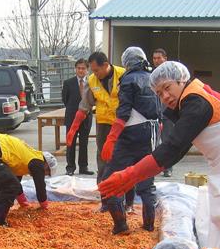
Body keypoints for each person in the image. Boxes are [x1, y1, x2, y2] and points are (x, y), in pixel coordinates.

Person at [99, 61, 220, 249]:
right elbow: (174, 148)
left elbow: (173, 149)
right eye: (159, 93)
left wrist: (131, 174)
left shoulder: (195, 101)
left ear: (181, 80)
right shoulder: (188, 101)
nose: (165, 96)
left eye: (167, 88)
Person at [100, 47, 160, 234]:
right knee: (146, 181)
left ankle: (121, 225)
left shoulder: (127, 79)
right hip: (151, 133)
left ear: (126, 62)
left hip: (130, 134)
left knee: (110, 180)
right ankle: (149, 226)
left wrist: (111, 138)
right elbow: (159, 111)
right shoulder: (153, 78)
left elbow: (124, 112)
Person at [66, 52, 131, 212]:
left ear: (105, 65)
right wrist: (73, 128)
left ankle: (128, 203)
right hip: (103, 125)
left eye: (96, 70)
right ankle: (106, 201)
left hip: (124, 124)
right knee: (103, 162)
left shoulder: (124, 75)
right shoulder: (92, 80)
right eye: (92, 70)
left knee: (125, 161)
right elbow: (84, 106)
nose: (94, 73)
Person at [0, 133, 56, 226]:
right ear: (46, 165)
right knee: (10, 185)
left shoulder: (26, 158)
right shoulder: (38, 162)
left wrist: (24, 203)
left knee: (5, 181)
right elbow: (40, 187)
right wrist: (44, 207)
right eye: (46, 173)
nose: (43, 174)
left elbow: (16, 181)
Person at [61, 59, 94, 176]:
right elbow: (65, 100)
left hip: (86, 117)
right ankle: (70, 167)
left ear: (87, 69)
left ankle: (83, 167)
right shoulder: (68, 83)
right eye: (78, 68)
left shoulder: (92, 82)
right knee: (71, 142)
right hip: (71, 117)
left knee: (84, 142)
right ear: (75, 69)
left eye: (83, 68)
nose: (81, 70)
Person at [152, 48, 174, 178]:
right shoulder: (151, 75)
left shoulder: (171, 73)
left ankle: (168, 167)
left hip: (167, 113)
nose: (156, 61)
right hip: (154, 114)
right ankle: (154, 168)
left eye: (159, 58)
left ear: (165, 58)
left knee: (168, 141)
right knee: (154, 143)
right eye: (154, 58)